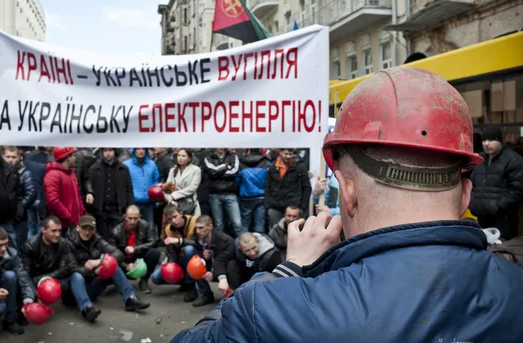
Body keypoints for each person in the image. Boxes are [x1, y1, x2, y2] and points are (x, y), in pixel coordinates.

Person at [172, 67, 523, 342]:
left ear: (348, 193)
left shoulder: (273, 309)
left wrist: (287, 271)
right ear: (465, 195)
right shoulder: (515, 287)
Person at [67, 215, 149, 322]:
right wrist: (93, 271)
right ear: (78, 228)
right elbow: (71, 268)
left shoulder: (97, 239)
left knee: (112, 264)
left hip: (93, 286)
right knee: (76, 276)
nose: (87, 232)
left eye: (90, 229)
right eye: (84, 228)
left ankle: (130, 298)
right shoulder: (68, 243)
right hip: (75, 290)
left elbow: (118, 254)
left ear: (94, 230)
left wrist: (100, 261)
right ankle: (87, 309)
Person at [469, 126, 523, 240]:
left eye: (491, 140)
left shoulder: (513, 160)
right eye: (484, 140)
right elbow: (472, 184)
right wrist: (473, 203)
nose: (486, 143)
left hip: (504, 219)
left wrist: (497, 206)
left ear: (499, 141)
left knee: (503, 251)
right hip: (481, 217)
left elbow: (517, 190)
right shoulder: (479, 160)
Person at [181, 215, 235, 306]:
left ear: (210, 227)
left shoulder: (224, 241)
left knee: (231, 265)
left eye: (201, 228)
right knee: (196, 260)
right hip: (214, 267)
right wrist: (203, 252)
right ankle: (206, 294)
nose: (198, 231)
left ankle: (232, 294)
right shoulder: (198, 236)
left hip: (226, 269)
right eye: (196, 228)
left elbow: (224, 261)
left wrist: (215, 274)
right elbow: (195, 246)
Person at [19, 216, 75, 301]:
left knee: (65, 284)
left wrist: (43, 279)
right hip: (34, 280)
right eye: (54, 231)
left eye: (59, 230)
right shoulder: (30, 246)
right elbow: (25, 272)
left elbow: (63, 269)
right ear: (43, 230)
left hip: (50, 276)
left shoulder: (63, 243)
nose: (58, 234)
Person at [151, 205, 198, 302]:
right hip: (180, 258)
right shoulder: (168, 229)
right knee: (156, 278)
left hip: (197, 259)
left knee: (188, 249)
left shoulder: (194, 221)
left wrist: (179, 240)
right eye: (170, 219)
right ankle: (184, 282)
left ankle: (191, 287)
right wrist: (172, 268)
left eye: (175, 217)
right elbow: (171, 251)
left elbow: (198, 243)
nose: (173, 221)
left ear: (181, 214)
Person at [87, 148, 135, 241]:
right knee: (102, 239)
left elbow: (128, 189)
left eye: (110, 151)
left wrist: (130, 207)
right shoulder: (94, 168)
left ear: (115, 151)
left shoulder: (123, 168)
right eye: (105, 151)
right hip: (101, 210)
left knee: (118, 237)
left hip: (118, 209)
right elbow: (90, 187)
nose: (108, 153)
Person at [112, 205, 160, 294]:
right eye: (130, 218)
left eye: (135, 218)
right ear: (125, 217)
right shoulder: (116, 231)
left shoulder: (144, 225)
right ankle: (121, 281)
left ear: (140, 217)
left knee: (155, 253)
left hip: (138, 255)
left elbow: (153, 242)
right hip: (124, 258)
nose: (132, 221)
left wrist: (135, 249)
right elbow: (113, 254)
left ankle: (144, 281)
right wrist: (125, 265)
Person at [264, 148, 312, 227]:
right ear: (280, 153)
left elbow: (306, 187)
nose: (288, 156)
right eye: (286, 154)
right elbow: (268, 186)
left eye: (290, 154)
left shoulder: (300, 167)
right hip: (276, 206)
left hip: (294, 207)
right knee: (277, 232)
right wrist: (268, 204)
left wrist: (303, 207)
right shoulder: (273, 167)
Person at [44, 147, 86, 234]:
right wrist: (68, 216)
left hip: (73, 223)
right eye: (73, 155)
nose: (75, 158)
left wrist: (82, 214)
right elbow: (53, 201)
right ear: (67, 157)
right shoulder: (53, 175)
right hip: (62, 226)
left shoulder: (71, 174)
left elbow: (77, 196)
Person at [3, 146, 37, 248]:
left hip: (19, 217)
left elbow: (31, 193)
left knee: (18, 244)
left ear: (18, 157)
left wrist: (19, 207)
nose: (10, 160)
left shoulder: (25, 173)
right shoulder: (1, 171)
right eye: (8, 157)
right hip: (4, 215)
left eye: (13, 157)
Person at [124, 148, 160, 234]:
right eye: (138, 149)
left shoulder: (152, 164)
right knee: (132, 225)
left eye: (143, 149)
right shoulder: (126, 165)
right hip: (133, 202)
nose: (141, 151)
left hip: (149, 202)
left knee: (150, 226)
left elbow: (156, 181)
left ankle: (151, 245)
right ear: (133, 151)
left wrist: (156, 199)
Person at [164, 148, 201, 215]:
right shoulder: (173, 170)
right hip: (175, 203)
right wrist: (163, 187)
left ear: (189, 158)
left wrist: (174, 195)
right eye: (179, 155)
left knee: (191, 223)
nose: (180, 158)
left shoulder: (196, 170)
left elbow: (192, 189)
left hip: (190, 202)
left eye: (183, 156)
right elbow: (168, 186)